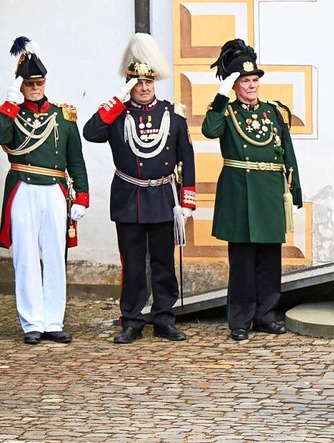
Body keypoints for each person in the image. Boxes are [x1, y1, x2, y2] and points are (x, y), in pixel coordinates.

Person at [83, 33, 196, 344]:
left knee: (163, 264)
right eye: (137, 82)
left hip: (162, 198)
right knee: (132, 265)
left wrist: (186, 201)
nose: (144, 88)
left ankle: (164, 319)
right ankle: (132, 320)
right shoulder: (118, 115)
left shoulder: (173, 114)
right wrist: (116, 102)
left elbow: (187, 157)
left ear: (154, 83)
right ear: (129, 84)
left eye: (148, 82)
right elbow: (91, 133)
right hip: (128, 198)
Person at [202, 39, 302, 342]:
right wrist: (220, 97)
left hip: (270, 192)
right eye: (245, 81)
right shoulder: (226, 112)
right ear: (234, 85)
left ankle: (265, 315)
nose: (252, 85)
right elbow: (210, 130)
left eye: (254, 80)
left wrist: (294, 188)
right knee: (243, 263)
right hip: (240, 194)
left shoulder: (273, 112)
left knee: (270, 261)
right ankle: (240, 319)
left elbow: (287, 151)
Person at [0, 37, 89, 345]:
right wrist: (10, 104)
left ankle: (53, 321)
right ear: (20, 85)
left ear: (45, 82)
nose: (35, 87)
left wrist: (83, 197)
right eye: (28, 83)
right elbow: (2, 136)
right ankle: (31, 323)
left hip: (54, 189)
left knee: (54, 255)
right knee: (24, 256)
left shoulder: (63, 115)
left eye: (38, 82)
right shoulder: (11, 114)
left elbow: (75, 159)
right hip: (23, 187)